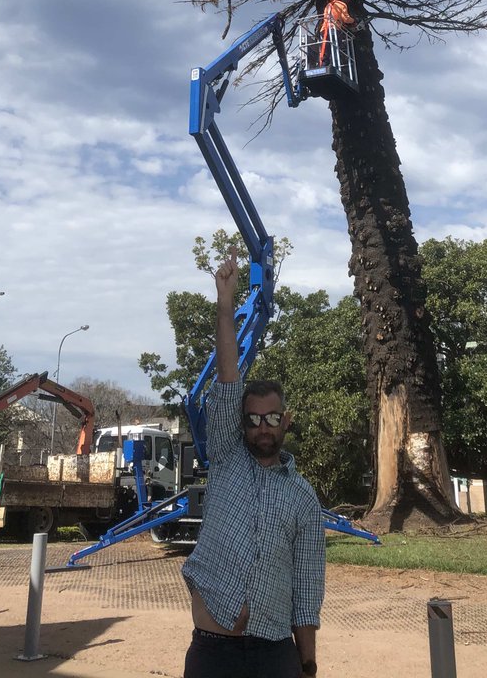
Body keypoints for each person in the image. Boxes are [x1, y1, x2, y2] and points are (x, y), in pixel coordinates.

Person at [181, 246, 325, 678]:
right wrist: (226, 304)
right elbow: (228, 380)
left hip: (274, 652)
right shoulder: (226, 460)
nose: (263, 427)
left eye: (272, 418)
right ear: (242, 424)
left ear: (286, 421)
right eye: (254, 419)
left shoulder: (303, 498)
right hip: (212, 650)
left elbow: (306, 588)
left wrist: (308, 662)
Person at [318, 0, 355, 65]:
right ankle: (336, 65)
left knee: (326, 49)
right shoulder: (342, 5)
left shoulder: (328, 5)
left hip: (324, 30)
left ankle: (324, 65)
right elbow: (346, 18)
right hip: (334, 30)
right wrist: (354, 21)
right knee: (336, 49)